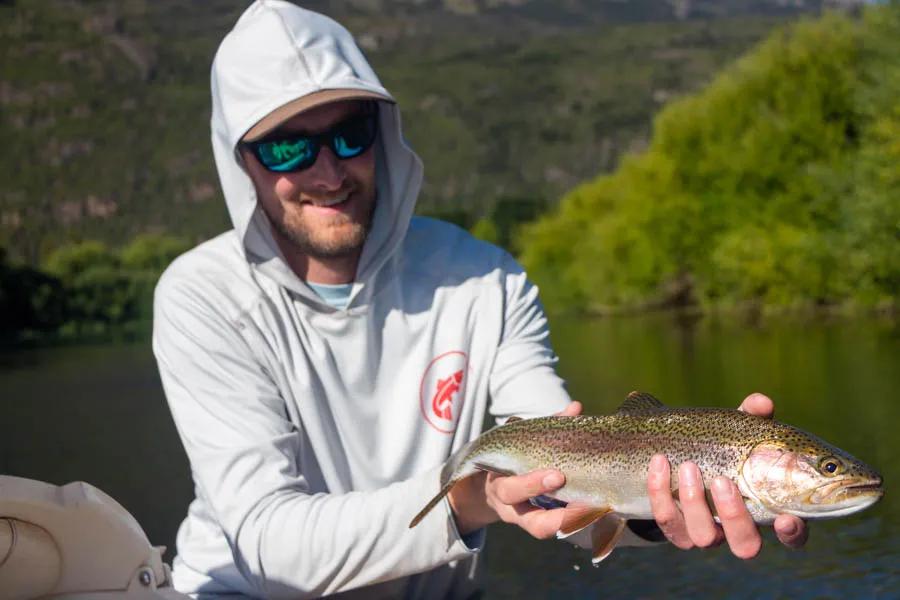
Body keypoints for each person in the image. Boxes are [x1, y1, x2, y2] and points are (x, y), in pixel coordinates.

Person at [152, 1, 807, 598]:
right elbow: (269, 544)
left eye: (349, 134)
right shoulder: (202, 299)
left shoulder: (485, 279)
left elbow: (563, 474)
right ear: (242, 163)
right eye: (288, 146)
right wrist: (471, 502)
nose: (328, 172)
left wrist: (665, 511)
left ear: (381, 134)